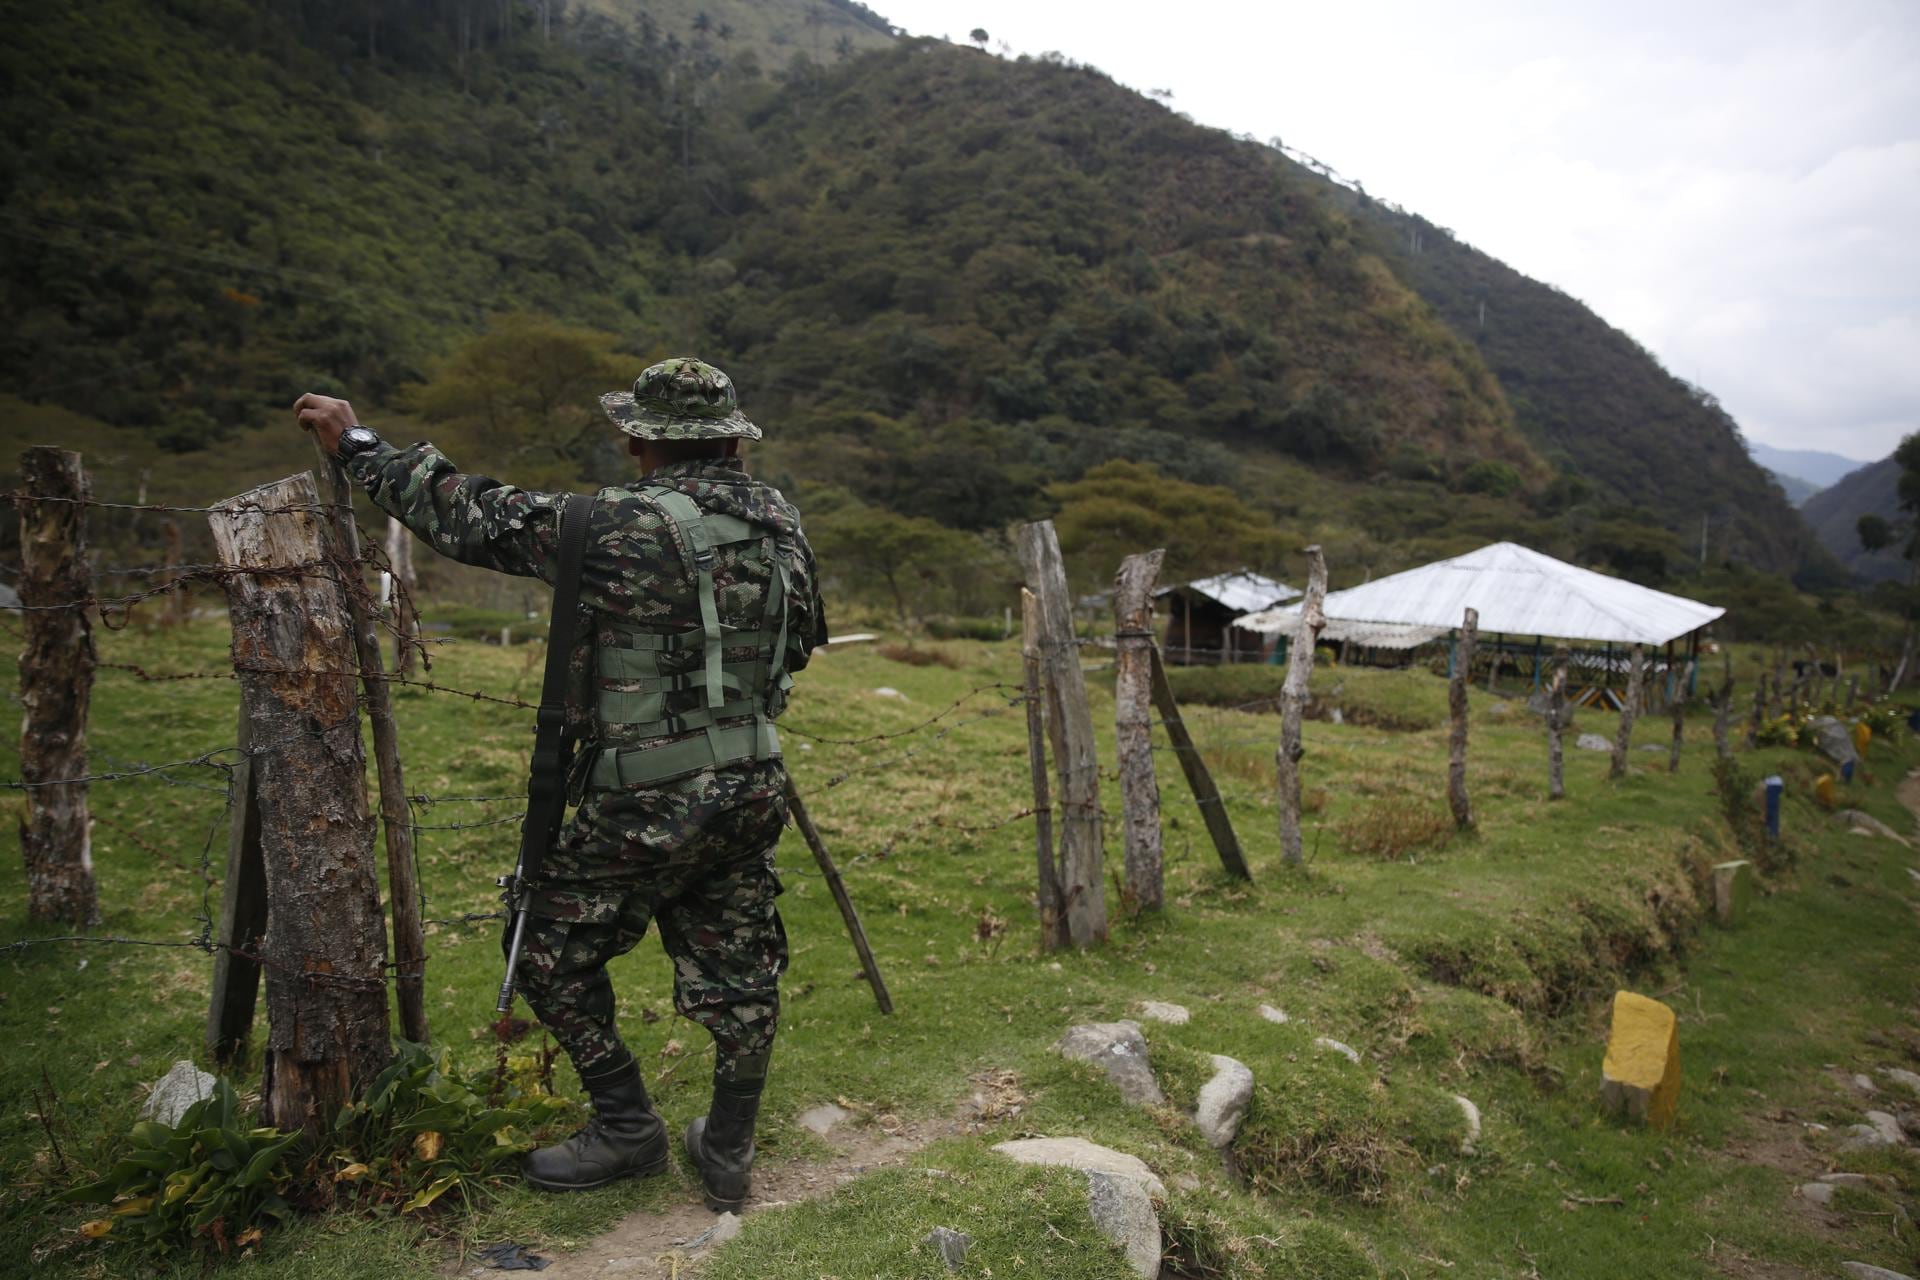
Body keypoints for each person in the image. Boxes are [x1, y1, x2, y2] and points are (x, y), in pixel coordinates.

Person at [294, 357, 826, 1210]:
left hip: (648, 794)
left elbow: (470, 515)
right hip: (753, 782)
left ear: (638, 442)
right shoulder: (783, 525)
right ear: (732, 439)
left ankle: (627, 1129)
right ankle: (726, 1149)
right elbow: (799, 645)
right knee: (740, 962)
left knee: (543, 948)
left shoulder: (614, 524)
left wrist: (358, 444)